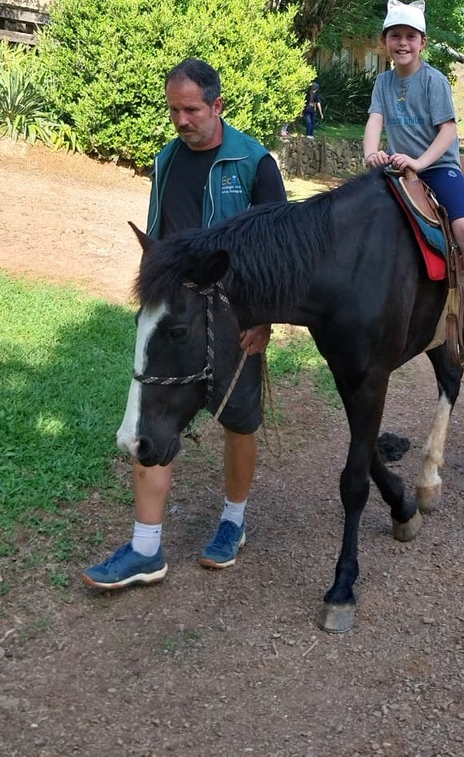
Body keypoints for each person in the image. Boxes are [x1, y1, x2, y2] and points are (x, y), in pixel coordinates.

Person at [82, 58, 287, 590]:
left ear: (217, 105)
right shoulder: (166, 161)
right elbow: (158, 240)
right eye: (173, 110)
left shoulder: (254, 163)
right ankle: (145, 549)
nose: (180, 120)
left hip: (239, 318)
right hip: (179, 318)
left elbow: (279, 253)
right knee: (154, 411)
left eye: (191, 109)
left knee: (239, 422)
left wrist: (264, 319)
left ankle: (233, 521)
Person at [363, 0, 464, 362]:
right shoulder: (383, 81)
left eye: (410, 36)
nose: (403, 43)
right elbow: (375, 119)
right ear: (384, 41)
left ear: (422, 42)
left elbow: (448, 131)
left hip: (439, 167)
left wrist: (420, 161)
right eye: (395, 36)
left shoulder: (434, 81)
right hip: (397, 168)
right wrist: (371, 152)